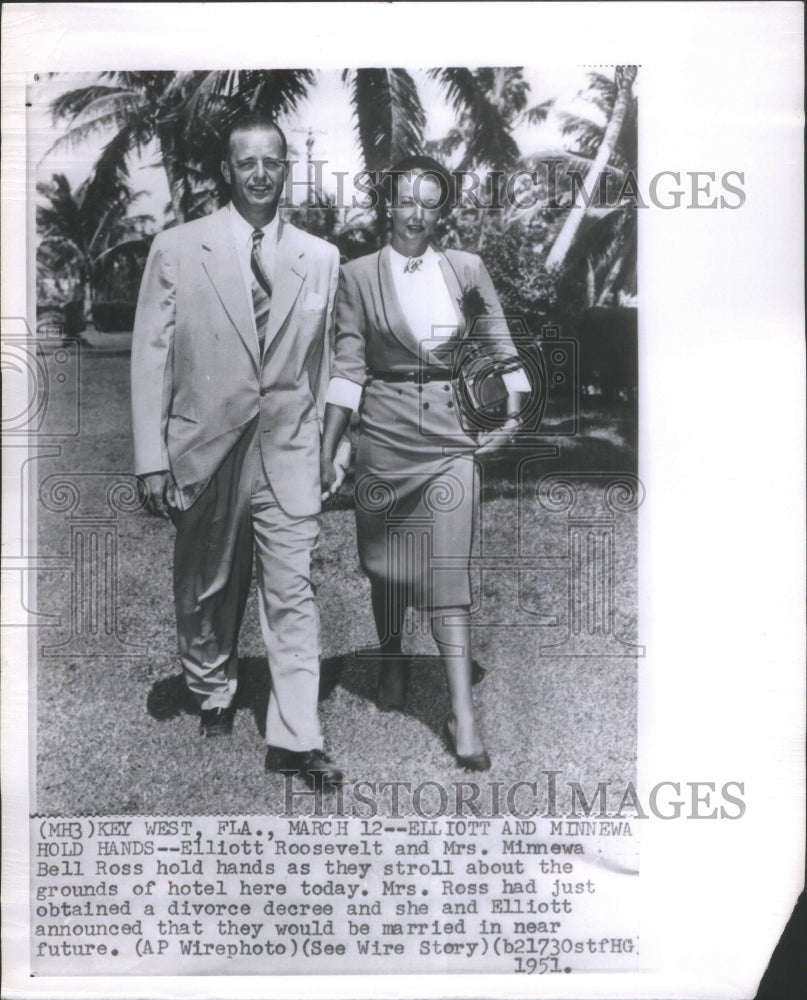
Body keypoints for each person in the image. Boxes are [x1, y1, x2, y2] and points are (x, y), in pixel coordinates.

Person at [131, 114, 344, 790]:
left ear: (286, 168)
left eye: (271, 162)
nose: (259, 173)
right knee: (208, 586)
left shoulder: (320, 258)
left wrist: (333, 446)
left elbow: (330, 360)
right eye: (245, 162)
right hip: (205, 445)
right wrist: (150, 456)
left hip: (288, 447)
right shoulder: (176, 247)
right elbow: (150, 358)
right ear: (228, 170)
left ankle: (296, 738)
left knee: (293, 593)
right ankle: (213, 685)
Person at [320, 155, 530, 771]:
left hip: (448, 437)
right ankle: (390, 657)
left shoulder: (465, 268)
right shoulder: (357, 275)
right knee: (385, 561)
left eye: (429, 201)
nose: (415, 212)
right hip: (382, 437)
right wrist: (333, 443)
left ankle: (463, 716)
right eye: (405, 199)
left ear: (443, 209)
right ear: (389, 203)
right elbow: (349, 365)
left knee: (447, 571)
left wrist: (514, 400)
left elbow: (495, 330)